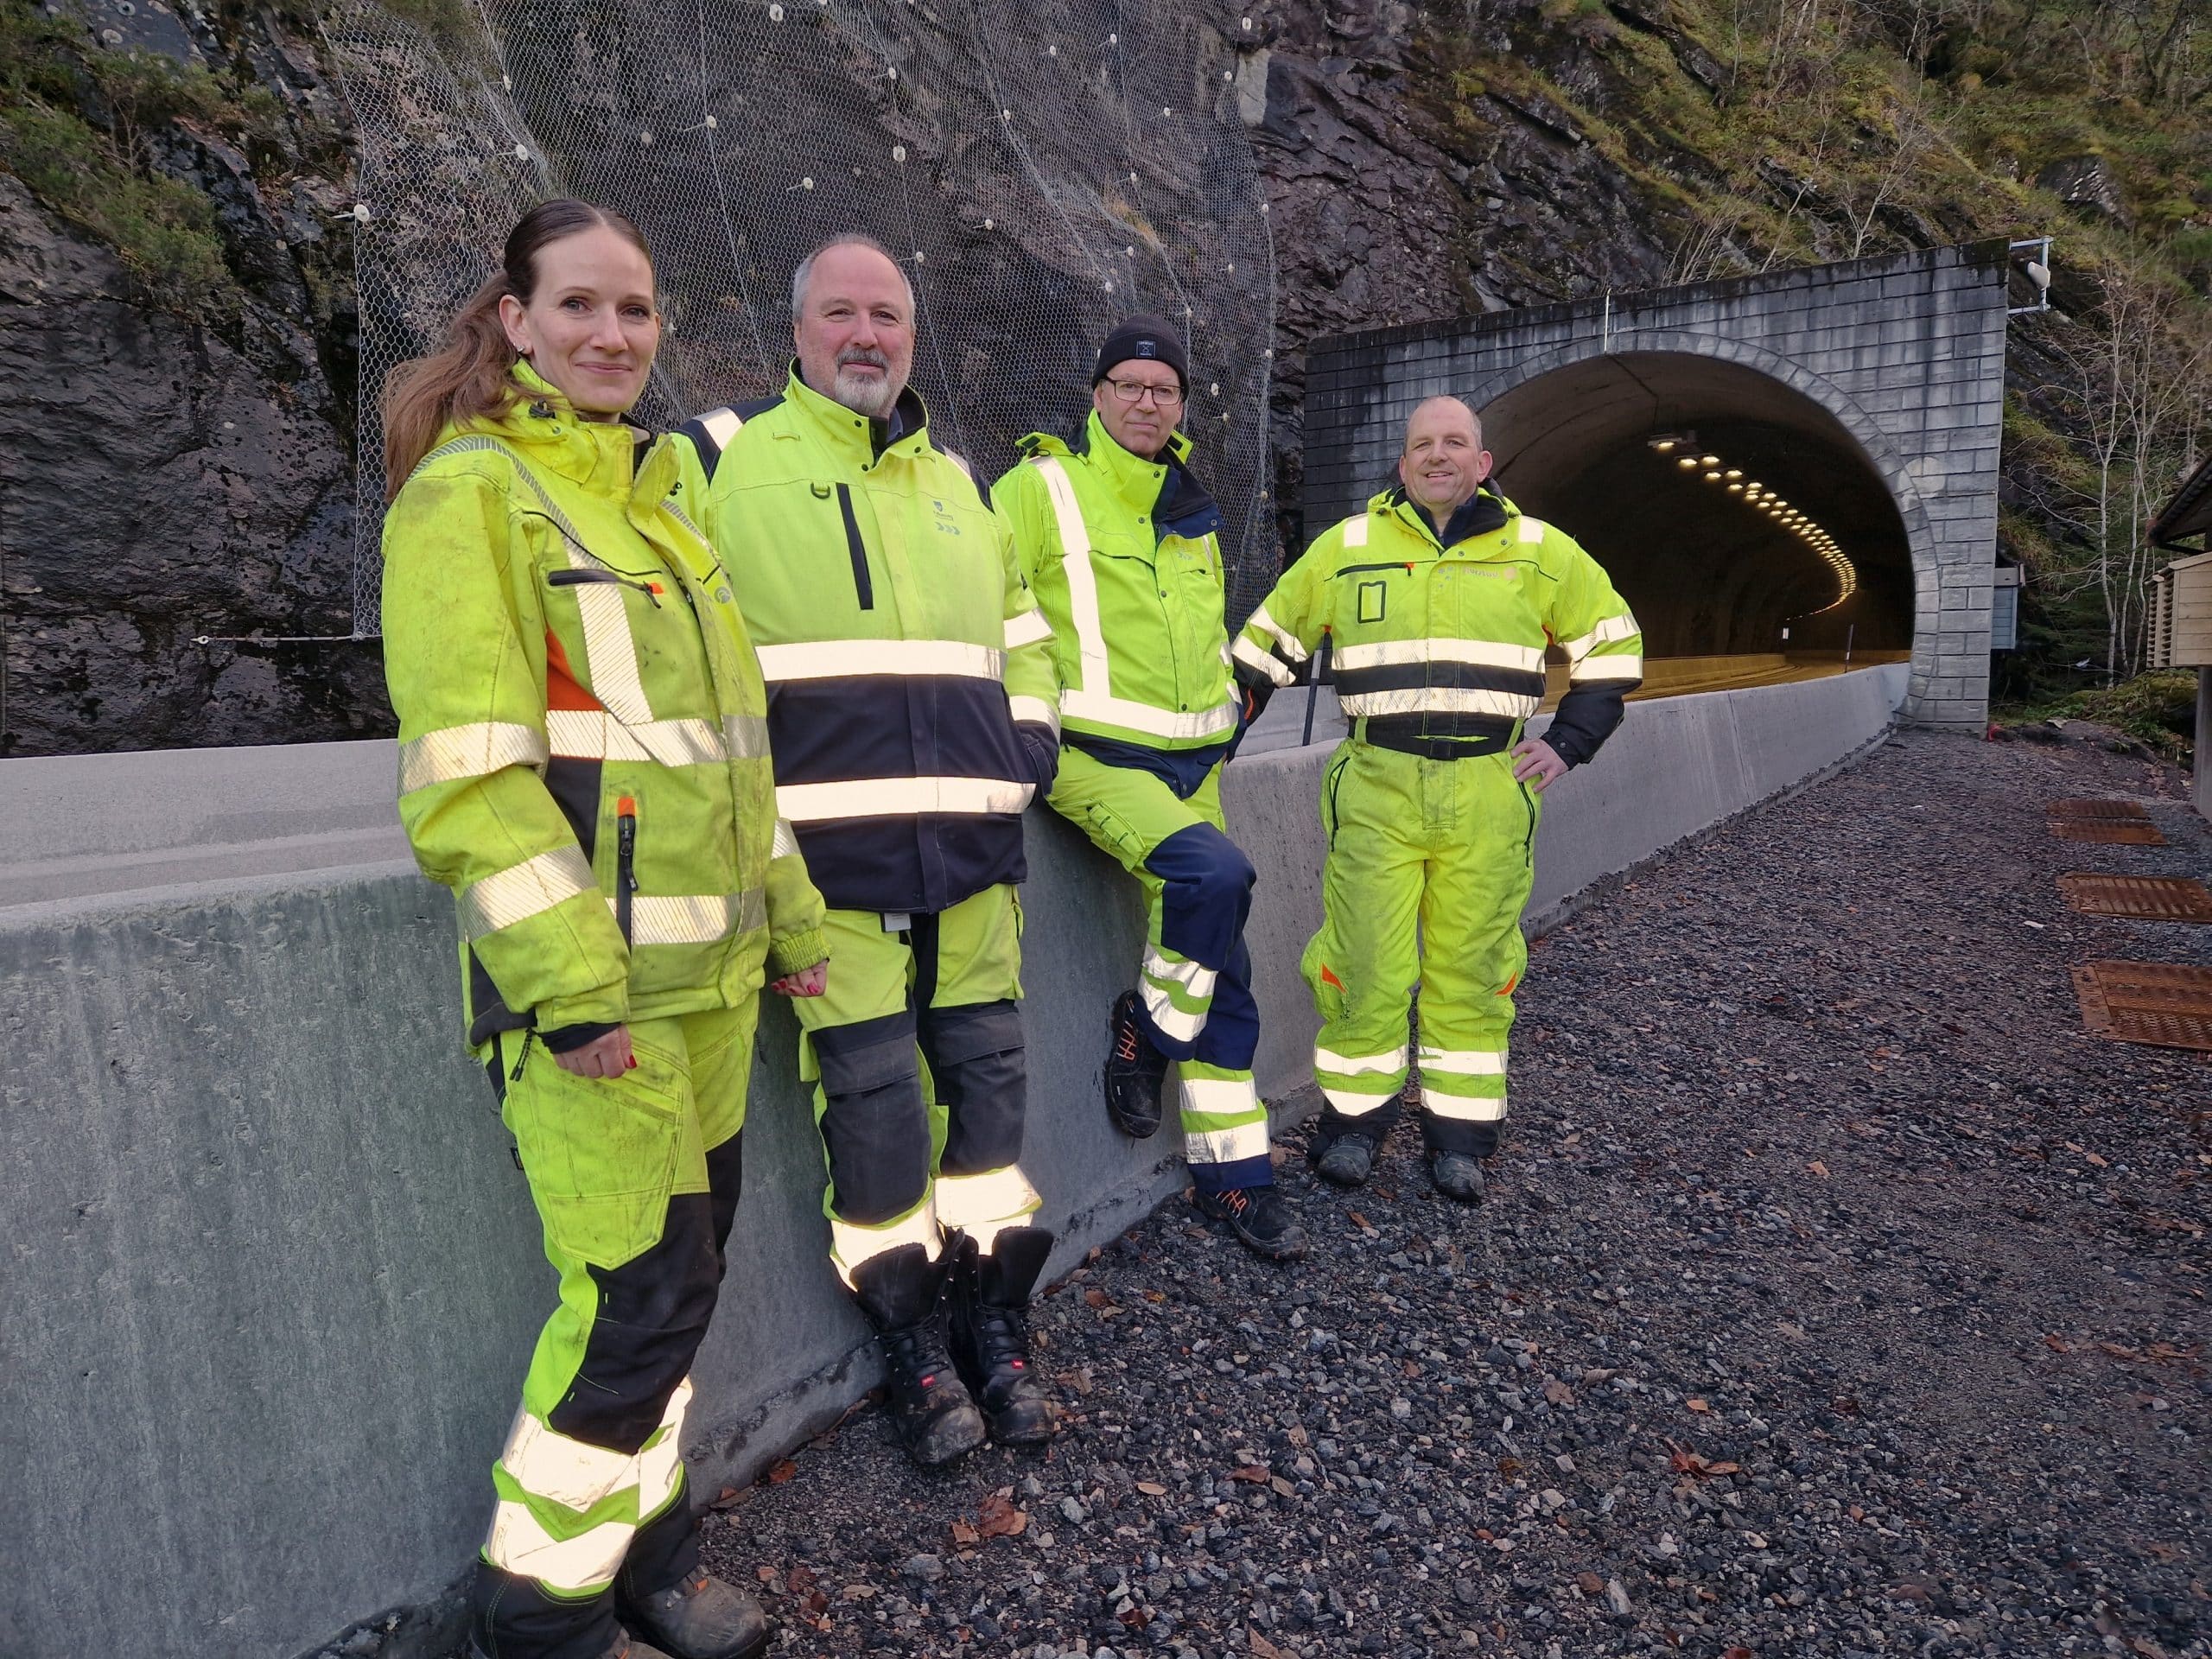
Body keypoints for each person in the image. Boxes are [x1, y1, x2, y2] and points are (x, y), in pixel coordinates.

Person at [381, 198, 830, 1659]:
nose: (609, 335)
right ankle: (541, 1615)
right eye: (578, 306)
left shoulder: (663, 511)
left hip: (705, 990)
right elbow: (474, 785)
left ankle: (651, 1560)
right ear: (513, 319)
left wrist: (797, 922)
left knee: (678, 1295)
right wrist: (574, 993)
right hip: (599, 1005)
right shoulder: (474, 496)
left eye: (633, 311)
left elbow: (734, 759)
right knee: (633, 1298)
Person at [671, 234, 1061, 1467]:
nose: (865, 336)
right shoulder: (719, 461)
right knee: (878, 1112)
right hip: (826, 875)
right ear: (793, 329)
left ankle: (991, 1321)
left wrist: (1027, 752)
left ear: (912, 332)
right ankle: (908, 1342)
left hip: (972, 855)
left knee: (992, 1096)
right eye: (839, 312)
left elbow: (1025, 638)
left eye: (886, 315)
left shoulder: (959, 482)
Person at [1231, 396, 1642, 1205]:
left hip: (1490, 789)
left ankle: (1459, 1139)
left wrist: (1567, 742)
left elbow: (1614, 645)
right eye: (1423, 444)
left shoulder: (1540, 553)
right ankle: (1354, 1126)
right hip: (1379, 786)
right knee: (1363, 966)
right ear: (1404, 463)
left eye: (1455, 443)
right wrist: (1205, 753)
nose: (1438, 456)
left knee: (1474, 967)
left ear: (1483, 464)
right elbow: (1262, 652)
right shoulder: (1347, 548)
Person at [992, 316, 1306, 1262]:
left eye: (1161, 389)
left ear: (1179, 406)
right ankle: (1148, 1029)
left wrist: (1230, 704)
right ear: (1096, 396)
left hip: (1191, 765)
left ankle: (1235, 1181)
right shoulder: (1039, 488)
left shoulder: (1189, 505)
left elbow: (1194, 637)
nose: (1144, 401)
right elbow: (993, 614)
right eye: (1126, 385)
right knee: (1212, 877)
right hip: (1090, 758)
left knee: (1232, 982)